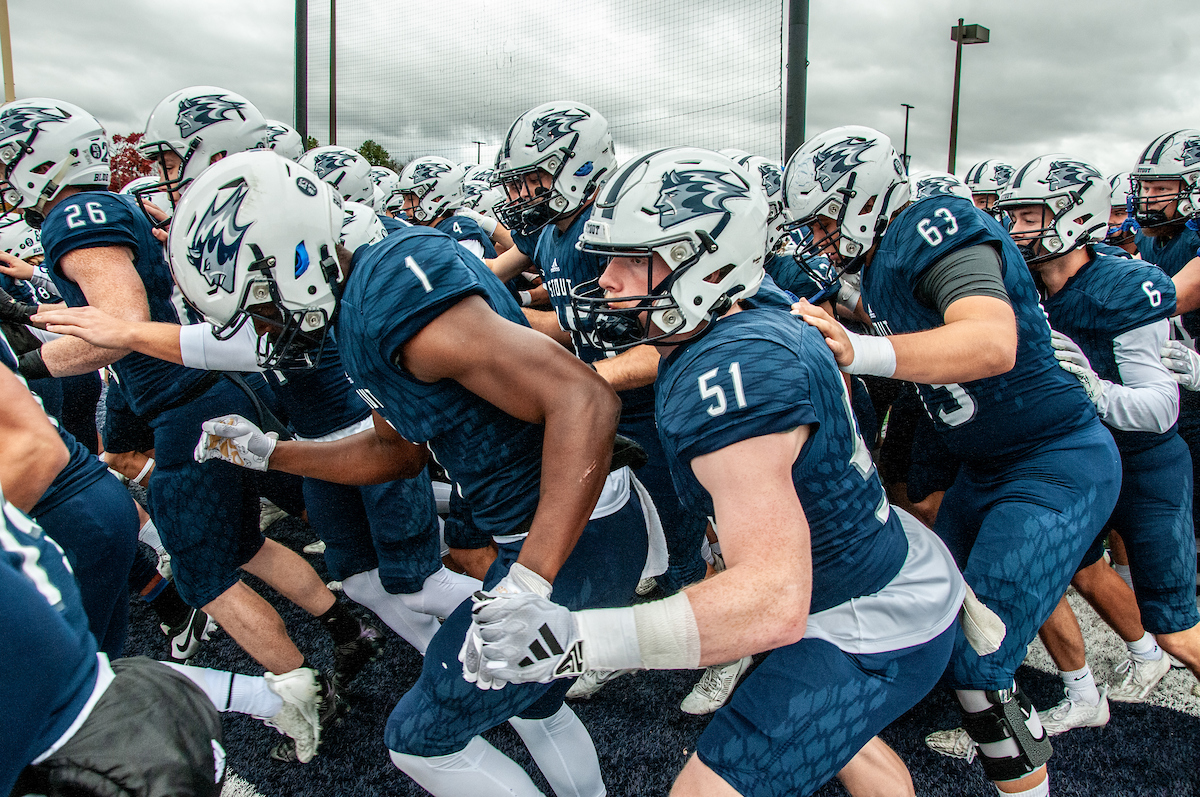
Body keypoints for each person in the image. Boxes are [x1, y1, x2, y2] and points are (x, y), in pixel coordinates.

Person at [467, 146, 968, 797]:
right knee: (851, 746)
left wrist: (575, 639)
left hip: (862, 612)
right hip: (864, 573)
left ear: (705, 261)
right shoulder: (736, 312)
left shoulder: (735, 374)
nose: (608, 279)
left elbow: (770, 599)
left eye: (632, 257)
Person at [164, 150, 656, 796]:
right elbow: (396, 452)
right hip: (576, 525)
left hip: (575, 534)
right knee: (533, 704)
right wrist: (271, 453)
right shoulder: (367, 287)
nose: (265, 329)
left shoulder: (386, 295)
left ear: (293, 259)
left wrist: (530, 582)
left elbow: (585, 400)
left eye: (260, 306)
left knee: (419, 737)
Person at [785, 126, 1121, 797]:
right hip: (987, 467)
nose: (819, 238)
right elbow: (878, 309)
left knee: (980, 663)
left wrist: (858, 350)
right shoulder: (881, 261)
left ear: (864, 198)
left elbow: (991, 343)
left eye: (824, 219)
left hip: (1053, 461)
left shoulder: (933, 225)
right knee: (933, 624)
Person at [0, 97, 362, 720]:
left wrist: (22, 361)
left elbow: (121, 325)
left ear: (39, 159)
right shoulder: (106, 210)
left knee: (202, 575)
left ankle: (302, 695)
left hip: (187, 408)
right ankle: (350, 632)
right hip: (207, 391)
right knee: (243, 541)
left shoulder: (76, 216)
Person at [495, 102, 719, 709]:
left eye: (533, 177)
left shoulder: (618, 230)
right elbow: (577, 323)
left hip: (659, 408)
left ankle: (730, 650)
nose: (521, 193)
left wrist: (583, 384)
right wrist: (499, 327)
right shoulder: (551, 232)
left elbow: (669, 340)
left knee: (691, 539)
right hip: (607, 408)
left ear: (577, 167)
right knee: (617, 538)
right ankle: (618, 635)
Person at [998, 153, 1197, 726]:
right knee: (1055, 570)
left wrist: (1092, 388)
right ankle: (1083, 693)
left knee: (1177, 627)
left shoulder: (1123, 286)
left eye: (1031, 216)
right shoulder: (1031, 285)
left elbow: (1160, 409)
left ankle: (1151, 651)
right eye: (1014, 217)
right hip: (1083, 460)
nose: (1017, 230)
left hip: (1146, 465)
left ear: (1073, 215)